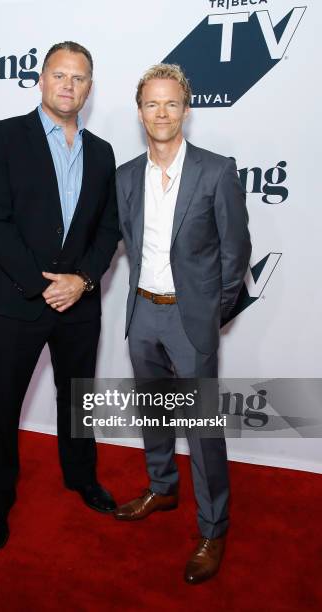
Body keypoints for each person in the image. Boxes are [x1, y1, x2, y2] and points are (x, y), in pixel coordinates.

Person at [0, 41, 120, 551]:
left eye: (78, 78)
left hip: (80, 302)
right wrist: (42, 286)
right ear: (41, 79)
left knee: (76, 400)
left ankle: (82, 478)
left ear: (89, 88)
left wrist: (80, 281)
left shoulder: (102, 153)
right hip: (18, 300)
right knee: (3, 408)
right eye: (59, 74)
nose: (68, 85)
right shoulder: (4, 137)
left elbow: (108, 229)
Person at [114, 64, 251, 584]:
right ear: (140, 110)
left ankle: (214, 527)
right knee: (154, 411)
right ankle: (162, 487)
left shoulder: (216, 171)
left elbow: (236, 251)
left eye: (172, 103)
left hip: (190, 317)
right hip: (142, 311)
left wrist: (210, 312)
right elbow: (118, 240)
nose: (162, 113)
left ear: (187, 109)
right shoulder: (126, 175)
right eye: (152, 104)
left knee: (201, 428)